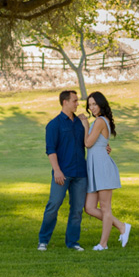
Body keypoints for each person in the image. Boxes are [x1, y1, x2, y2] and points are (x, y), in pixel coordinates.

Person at [39, 91, 87, 251]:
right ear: (65, 102)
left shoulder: (80, 123)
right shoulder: (54, 125)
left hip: (80, 173)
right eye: (74, 101)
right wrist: (57, 171)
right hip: (62, 173)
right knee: (53, 205)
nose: (77, 104)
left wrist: (104, 147)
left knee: (77, 209)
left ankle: (73, 242)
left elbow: (88, 142)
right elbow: (51, 150)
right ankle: (43, 241)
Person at [82, 92, 130, 249]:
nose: (92, 108)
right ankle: (122, 226)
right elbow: (98, 144)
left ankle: (103, 244)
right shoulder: (99, 121)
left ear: (101, 104)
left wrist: (84, 125)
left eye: (94, 104)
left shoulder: (100, 121)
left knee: (105, 208)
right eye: (90, 105)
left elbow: (88, 143)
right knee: (89, 208)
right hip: (94, 167)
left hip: (102, 167)